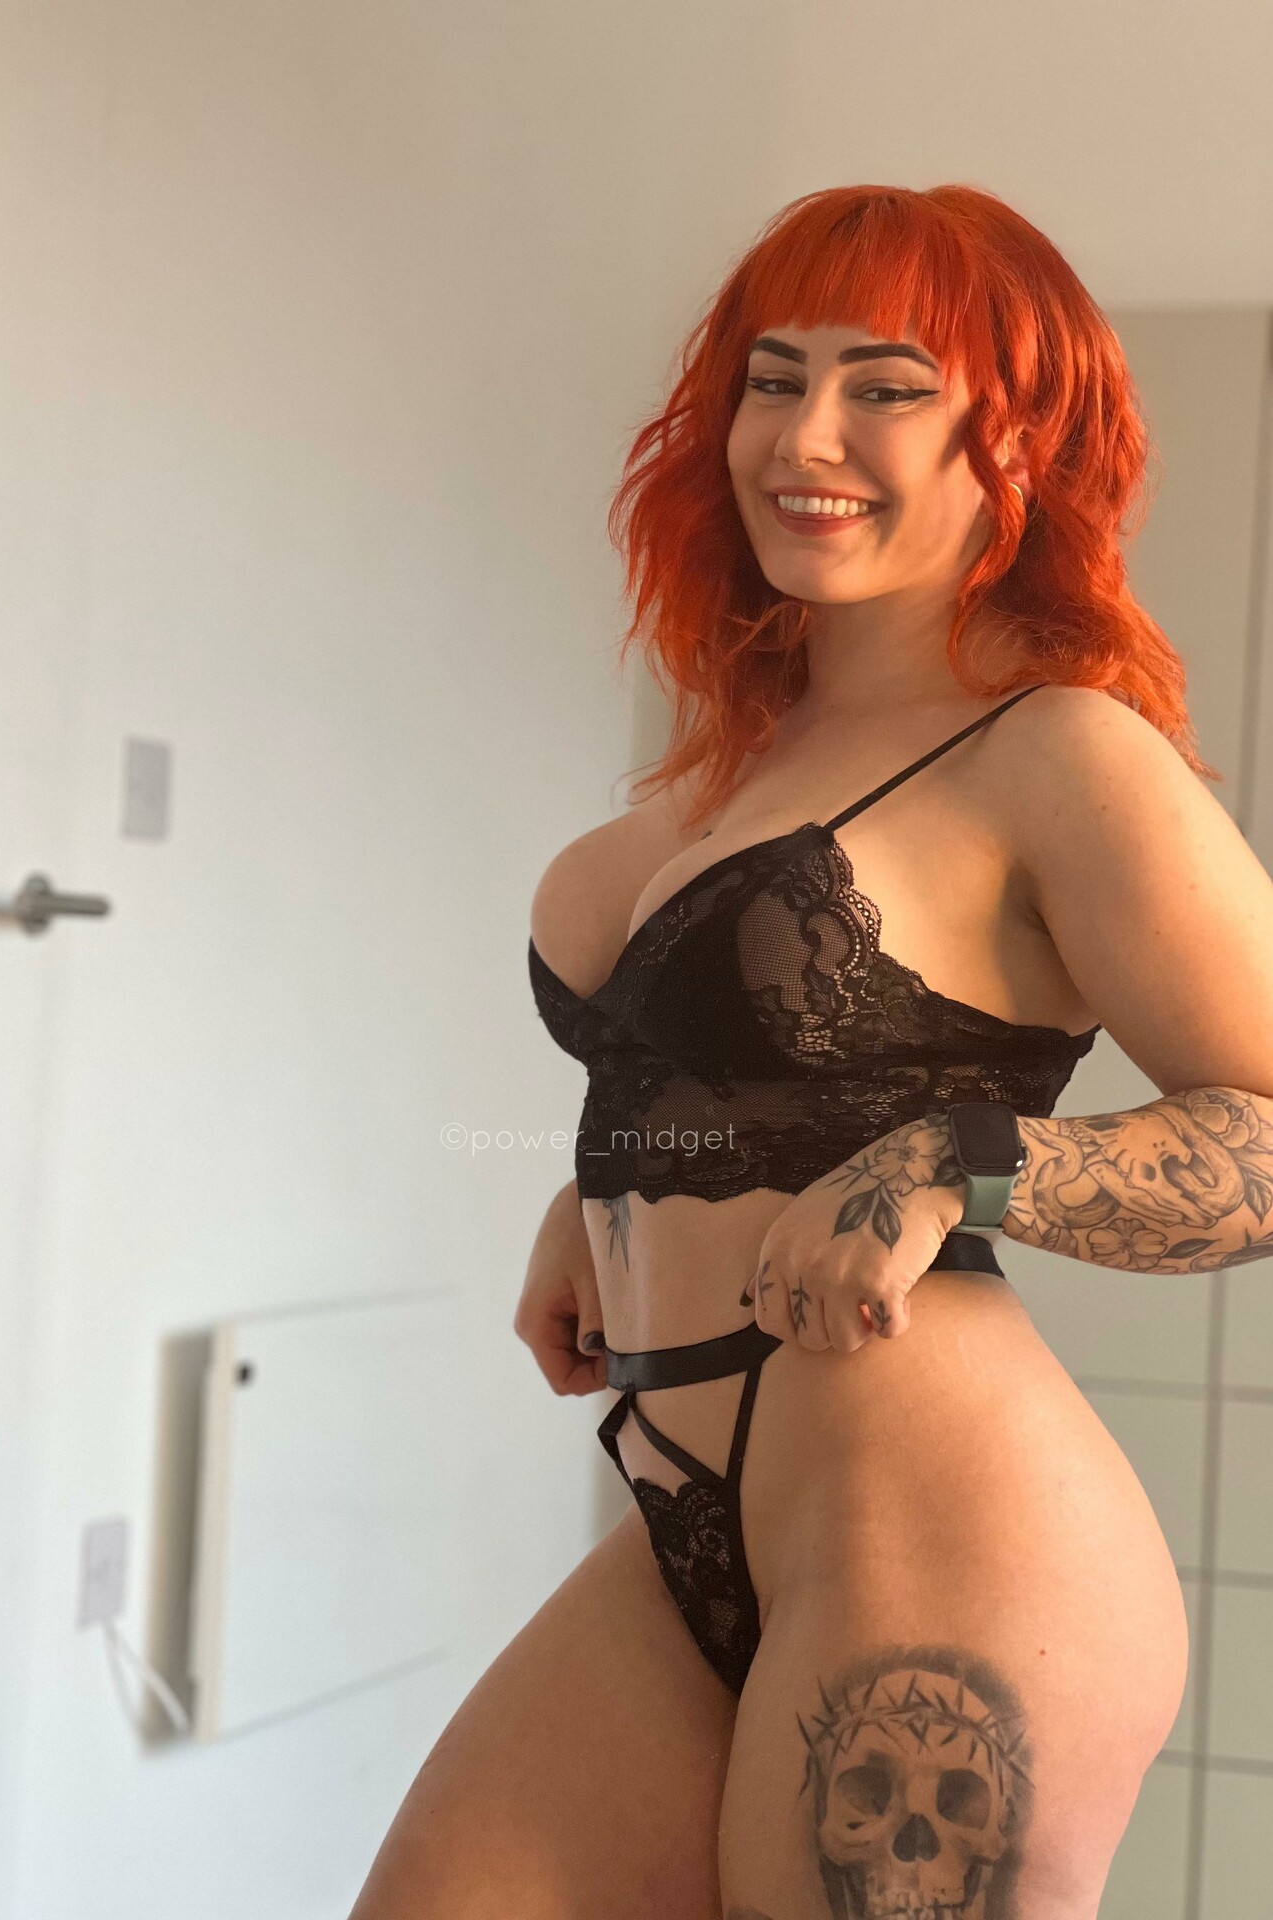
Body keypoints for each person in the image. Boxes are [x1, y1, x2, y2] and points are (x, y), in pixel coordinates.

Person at [350, 184, 1273, 1919]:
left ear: (1022, 438)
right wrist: (608, 1191)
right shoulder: (752, 745)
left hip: (948, 1525)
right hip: (687, 1506)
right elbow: (759, 1072)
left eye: (887, 387)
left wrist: (957, 1162)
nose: (807, 435)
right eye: (773, 381)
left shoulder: (1058, 751)